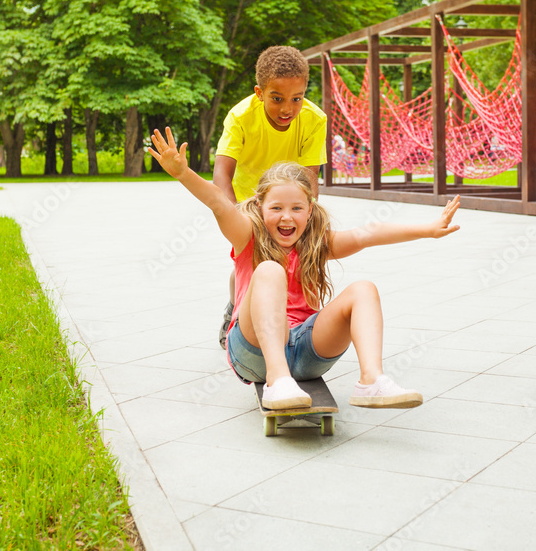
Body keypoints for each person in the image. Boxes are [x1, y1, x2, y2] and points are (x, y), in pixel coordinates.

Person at [148, 127, 461, 409]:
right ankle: (277, 381)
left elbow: (367, 234)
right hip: (253, 352)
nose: (287, 217)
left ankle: (372, 380)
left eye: (297, 208)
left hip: (305, 352)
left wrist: (427, 229)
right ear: (259, 207)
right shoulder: (247, 236)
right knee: (270, 270)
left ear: (310, 211)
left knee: (364, 290)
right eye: (277, 208)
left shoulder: (316, 244)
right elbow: (218, 202)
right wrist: (183, 172)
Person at [212, 46, 328, 349]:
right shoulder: (240, 116)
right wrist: (236, 215)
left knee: (296, 260)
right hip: (249, 201)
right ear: (260, 92)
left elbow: (310, 178)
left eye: (297, 98)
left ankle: (294, 320)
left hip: (290, 198)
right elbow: (221, 174)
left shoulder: (314, 120)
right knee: (250, 259)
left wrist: (309, 218)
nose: (287, 108)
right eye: (277, 98)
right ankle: (234, 310)